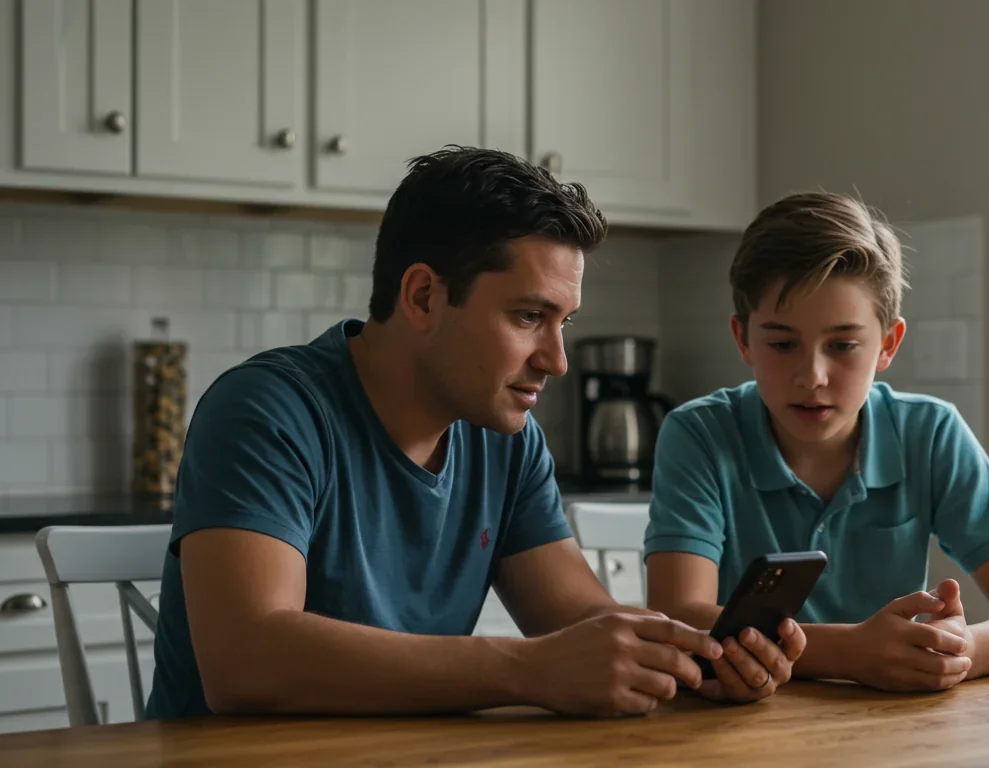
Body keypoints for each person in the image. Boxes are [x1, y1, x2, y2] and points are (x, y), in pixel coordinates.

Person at [145, 146, 726, 720]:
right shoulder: (268, 410)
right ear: (424, 296)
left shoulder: (507, 439)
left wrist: (702, 659)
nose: (557, 360)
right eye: (529, 317)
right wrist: (525, 668)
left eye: (563, 323)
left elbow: (581, 623)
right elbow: (247, 662)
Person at [644, 192, 989, 701]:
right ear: (743, 340)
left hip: (889, 732)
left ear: (888, 344)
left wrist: (961, 649)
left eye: (843, 345)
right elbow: (679, 617)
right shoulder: (699, 434)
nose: (813, 376)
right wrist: (851, 653)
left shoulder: (930, 433)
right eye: (783, 344)